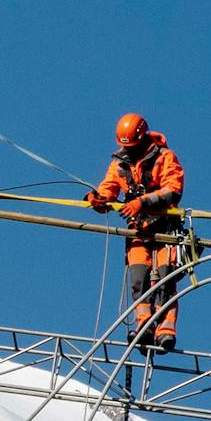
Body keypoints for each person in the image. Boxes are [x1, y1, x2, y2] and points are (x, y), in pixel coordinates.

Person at [86, 112, 186, 352]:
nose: (128, 150)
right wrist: (98, 200)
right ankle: (144, 326)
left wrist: (141, 202)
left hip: (165, 229)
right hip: (139, 231)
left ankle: (165, 330)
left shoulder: (165, 158)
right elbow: (109, 188)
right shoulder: (120, 163)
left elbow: (173, 191)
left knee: (165, 279)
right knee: (139, 278)